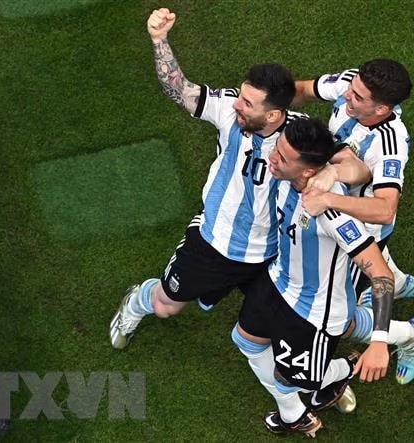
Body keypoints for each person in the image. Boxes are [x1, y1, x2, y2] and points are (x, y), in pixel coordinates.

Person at [110, 8, 303, 349]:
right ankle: (137, 302)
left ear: (273, 114)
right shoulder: (228, 109)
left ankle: (340, 361)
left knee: (283, 321)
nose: (237, 105)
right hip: (214, 241)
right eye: (240, 96)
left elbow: (343, 161)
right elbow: (179, 89)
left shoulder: (301, 136)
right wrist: (159, 40)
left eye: (248, 103)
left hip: (272, 250)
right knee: (166, 306)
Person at [232, 117, 405, 437]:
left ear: (308, 171)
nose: (272, 158)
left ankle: (349, 366)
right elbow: (353, 166)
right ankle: (294, 413)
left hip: (313, 313)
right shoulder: (289, 173)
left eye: (282, 158)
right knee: (245, 340)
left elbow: (380, 273)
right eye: (277, 149)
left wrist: (379, 343)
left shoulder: (332, 214)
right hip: (278, 281)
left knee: (294, 380)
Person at [293, 61, 414, 305]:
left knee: (330, 303)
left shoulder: (389, 145)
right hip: (335, 196)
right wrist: (266, 105)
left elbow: (385, 210)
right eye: (352, 88)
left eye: (358, 97)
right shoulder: (351, 83)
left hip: (360, 227)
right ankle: (400, 284)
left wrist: (328, 199)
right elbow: (302, 90)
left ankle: (408, 327)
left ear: (381, 109)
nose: (346, 95)